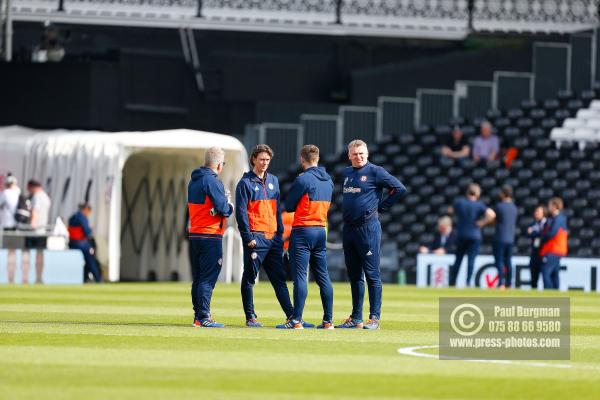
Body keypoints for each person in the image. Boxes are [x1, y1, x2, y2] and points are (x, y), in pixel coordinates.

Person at [337, 139, 407, 330]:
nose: (358, 157)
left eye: (361, 153)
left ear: (367, 154)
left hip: (367, 229)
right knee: (354, 275)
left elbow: (399, 188)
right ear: (349, 155)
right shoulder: (346, 173)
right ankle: (356, 318)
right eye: (355, 154)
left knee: (372, 274)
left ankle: (374, 318)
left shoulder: (376, 171)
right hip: (349, 229)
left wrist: (382, 206)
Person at [235, 144, 296, 328]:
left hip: (273, 239)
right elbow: (241, 213)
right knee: (249, 278)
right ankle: (250, 316)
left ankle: (292, 316)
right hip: (256, 237)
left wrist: (279, 234)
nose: (264, 163)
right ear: (253, 159)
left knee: (279, 279)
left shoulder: (274, 181)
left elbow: (277, 209)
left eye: (267, 160)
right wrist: (248, 237)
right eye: (261, 159)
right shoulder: (245, 183)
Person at [278, 145, 334, 330]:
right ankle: (328, 321)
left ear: (302, 159)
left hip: (303, 230)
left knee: (301, 276)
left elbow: (290, 205)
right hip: (320, 230)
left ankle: (296, 320)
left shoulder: (303, 179)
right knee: (323, 276)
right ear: (317, 158)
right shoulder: (329, 180)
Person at [188, 147, 234, 328]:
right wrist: (228, 205)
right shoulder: (212, 181)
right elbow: (223, 209)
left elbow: (207, 208)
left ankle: (198, 314)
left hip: (195, 234)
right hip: (210, 234)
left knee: (199, 278)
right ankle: (203, 316)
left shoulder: (194, 180)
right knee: (208, 278)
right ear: (219, 164)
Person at [449, 183, 495, 287]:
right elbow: (492, 214)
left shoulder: (460, 202)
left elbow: (450, 211)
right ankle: (468, 282)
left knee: (458, 259)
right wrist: (482, 222)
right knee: (471, 260)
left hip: (461, 234)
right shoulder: (479, 204)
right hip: (474, 235)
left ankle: (452, 282)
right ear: (477, 194)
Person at [23, 179, 51, 284]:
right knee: (40, 254)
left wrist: (32, 224)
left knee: (27, 253)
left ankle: (25, 277)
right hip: (43, 230)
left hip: (35, 230)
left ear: (31, 186)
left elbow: (35, 211)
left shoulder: (36, 197)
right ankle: (39, 277)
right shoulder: (46, 197)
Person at [68, 203, 102, 283]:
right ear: (86, 209)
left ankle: (85, 278)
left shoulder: (73, 216)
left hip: (72, 242)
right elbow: (87, 232)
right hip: (80, 243)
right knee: (91, 259)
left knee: (87, 261)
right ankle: (98, 279)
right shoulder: (82, 217)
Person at [539, 197, 568, 290]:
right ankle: (556, 293)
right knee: (554, 273)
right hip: (555, 249)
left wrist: (542, 237)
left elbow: (552, 233)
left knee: (545, 271)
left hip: (554, 249)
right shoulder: (555, 218)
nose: (548, 207)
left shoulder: (558, 219)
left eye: (550, 205)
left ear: (555, 206)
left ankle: (549, 292)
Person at [492, 185, 517, 289]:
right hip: (510, 238)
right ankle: (509, 283)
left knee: (499, 261)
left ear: (503, 194)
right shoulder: (514, 207)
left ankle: (501, 282)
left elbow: (493, 219)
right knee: (508, 261)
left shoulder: (499, 206)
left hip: (500, 237)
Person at [0, 175, 21, 283]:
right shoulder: (18, 193)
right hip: (16, 225)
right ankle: (12, 275)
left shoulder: (5, 193)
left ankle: (9, 275)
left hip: (7, 224)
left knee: (8, 250)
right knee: (13, 250)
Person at [527, 204, 547, 290]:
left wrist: (535, 233)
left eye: (538, 211)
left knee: (545, 275)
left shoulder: (547, 223)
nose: (536, 213)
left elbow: (544, 235)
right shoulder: (533, 223)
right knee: (533, 275)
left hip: (544, 252)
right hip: (534, 252)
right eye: (536, 211)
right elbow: (529, 233)